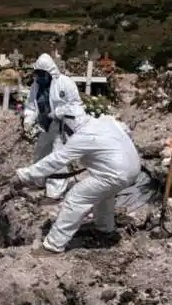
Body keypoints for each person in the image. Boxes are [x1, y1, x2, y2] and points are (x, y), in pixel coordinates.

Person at [15, 103, 141, 256]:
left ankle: (53, 246)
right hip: (133, 169)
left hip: (115, 173)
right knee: (104, 195)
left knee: (76, 198)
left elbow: (57, 160)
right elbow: (126, 132)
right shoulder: (105, 122)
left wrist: (24, 174)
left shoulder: (83, 136)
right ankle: (105, 229)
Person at [22, 53, 83, 202]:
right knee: (41, 153)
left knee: (58, 157)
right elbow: (31, 105)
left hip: (62, 126)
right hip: (45, 126)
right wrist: (28, 119)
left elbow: (75, 105)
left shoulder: (65, 83)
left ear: (50, 72)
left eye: (42, 75)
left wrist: (58, 113)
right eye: (37, 74)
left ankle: (55, 191)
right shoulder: (35, 87)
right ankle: (39, 181)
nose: (38, 78)